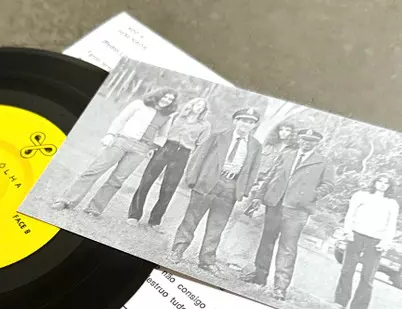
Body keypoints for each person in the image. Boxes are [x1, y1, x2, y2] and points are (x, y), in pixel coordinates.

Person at [51, 88, 178, 215]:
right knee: (94, 171)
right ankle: (66, 201)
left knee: (117, 180)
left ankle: (94, 209)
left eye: (170, 99)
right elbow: (120, 119)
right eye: (165, 97)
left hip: (140, 150)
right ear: (158, 95)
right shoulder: (139, 104)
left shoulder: (167, 117)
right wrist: (110, 134)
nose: (167, 100)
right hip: (121, 141)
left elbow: (163, 136)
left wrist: (152, 147)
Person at [241, 128, 335, 300]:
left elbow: (329, 185)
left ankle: (280, 287)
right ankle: (259, 276)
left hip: (297, 210)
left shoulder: (323, 162)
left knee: (288, 247)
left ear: (317, 144)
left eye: (311, 141)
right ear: (299, 140)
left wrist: (310, 196)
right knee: (267, 241)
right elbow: (271, 175)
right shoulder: (287, 155)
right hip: (275, 203)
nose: (307, 143)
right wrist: (260, 196)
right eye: (304, 139)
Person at [169, 107, 262, 273]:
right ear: (235, 121)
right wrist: (192, 179)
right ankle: (178, 250)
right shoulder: (217, 136)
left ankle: (206, 260)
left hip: (231, 187)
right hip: (209, 182)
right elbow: (199, 156)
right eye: (243, 120)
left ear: (254, 125)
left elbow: (253, 169)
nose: (246, 125)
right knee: (191, 219)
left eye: (250, 122)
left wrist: (244, 190)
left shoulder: (255, 145)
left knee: (217, 226)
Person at [126, 97, 212, 230]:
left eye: (202, 106)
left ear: (204, 110)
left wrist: (192, 160)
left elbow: (200, 145)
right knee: (146, 181)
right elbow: (162, 133)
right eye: (197, 104)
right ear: (192, 104)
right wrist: (153, 147)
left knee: (168, 188)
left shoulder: (205, 125)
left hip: (183, 154)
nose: (199, 107)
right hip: (165, 148)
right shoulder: (177, 116)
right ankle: (134, 215)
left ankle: (155, 221)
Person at [334, 174, 399, 309]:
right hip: (356, 235)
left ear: (389, 186)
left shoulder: (392, 204)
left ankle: (359, 308)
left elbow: (391, 225)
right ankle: (340, 301)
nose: (382, 184)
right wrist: (347, 231)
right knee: (347, 270)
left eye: (386, 183)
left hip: (376, 241)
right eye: (380, 181)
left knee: (368, 275)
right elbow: (350, 214)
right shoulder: (361, 196)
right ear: (374, 182)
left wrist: (385, 242)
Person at [243, 122, 296, 217]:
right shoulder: (269, 145)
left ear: (292, 133)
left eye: (287, 130)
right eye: (281, 130)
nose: (283, 132)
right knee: (242, 208)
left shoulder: (293, 151)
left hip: (272, 184)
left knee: (260, 214)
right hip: (257, 180)